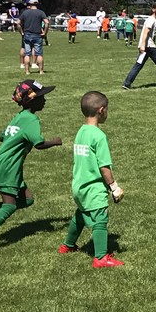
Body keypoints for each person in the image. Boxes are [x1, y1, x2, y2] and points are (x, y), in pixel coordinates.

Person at [0, 80, 63, 254]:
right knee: (9, 206)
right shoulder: (31, 119)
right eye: (41, 96)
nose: (45, 99)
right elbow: (38, 144)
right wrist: (55, 142)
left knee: (27, 199)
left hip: (7, 165)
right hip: (9, 167)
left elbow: (3, 136)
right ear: (31, 100)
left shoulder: (19, 116)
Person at [59, 91, 125, 268]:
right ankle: (101, 257)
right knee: (100, 218)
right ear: (101, 110)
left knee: (81, 214)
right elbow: (104, 167)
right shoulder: (98, 136)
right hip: (93, 187)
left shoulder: (81, 131)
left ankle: (67, 245)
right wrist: (114, 187)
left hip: (79, 186)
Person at [123, 4, 156, 89]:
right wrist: (143, 45)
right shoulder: (151, 20)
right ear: (153, 10)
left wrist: (142, 45)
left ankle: (127, 83)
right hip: (149, 46)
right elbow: (145, 32)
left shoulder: (153, 20)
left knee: (138, 64)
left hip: (145, 46)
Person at [18, 0, 48, 75]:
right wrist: (45, 32)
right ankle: (41, 71)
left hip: (27, 35)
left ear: (30, 4)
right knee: (39, 54)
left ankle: (27, 71)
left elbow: (18, 23)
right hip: (37, 35)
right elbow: (47, 22)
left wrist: (21, 32)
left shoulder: (25, 13)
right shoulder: (41, 12)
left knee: (27, 54)